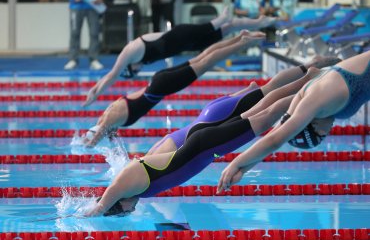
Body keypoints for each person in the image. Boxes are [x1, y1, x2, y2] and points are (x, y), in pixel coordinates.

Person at [84, 56, 341, 216]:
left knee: (267, 116)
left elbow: (111, 192)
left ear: (119, 204)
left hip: (207, 145)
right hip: (204, 130)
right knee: (265, 101)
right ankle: (308, 77)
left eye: (123, 212)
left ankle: (312, 90)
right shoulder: (142, 181)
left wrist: (94, 210)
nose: (130, 213)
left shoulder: (133, 182)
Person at [218, 51, 370, 192]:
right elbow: (276, 134)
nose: (328, 133)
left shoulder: (317, 102)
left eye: (321, 136)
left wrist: (235, 164)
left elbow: (275, 140)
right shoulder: (306, 102)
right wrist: (243, 170)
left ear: (312, 124)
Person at [84, 30, 266, 147]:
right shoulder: (111, 115)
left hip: (163, 85)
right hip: (159, 81)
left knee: (207, 61)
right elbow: (109, 135)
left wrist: (85, 145)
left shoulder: (110, 119)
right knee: (203, 57)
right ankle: (239, 38)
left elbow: (96, 139)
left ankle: (244, 43)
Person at [63, 0, 107, 70]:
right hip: (76, 6)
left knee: (94, 33)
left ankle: (94, 59)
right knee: (75, 33)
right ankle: (73, 60)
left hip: (93, 5)